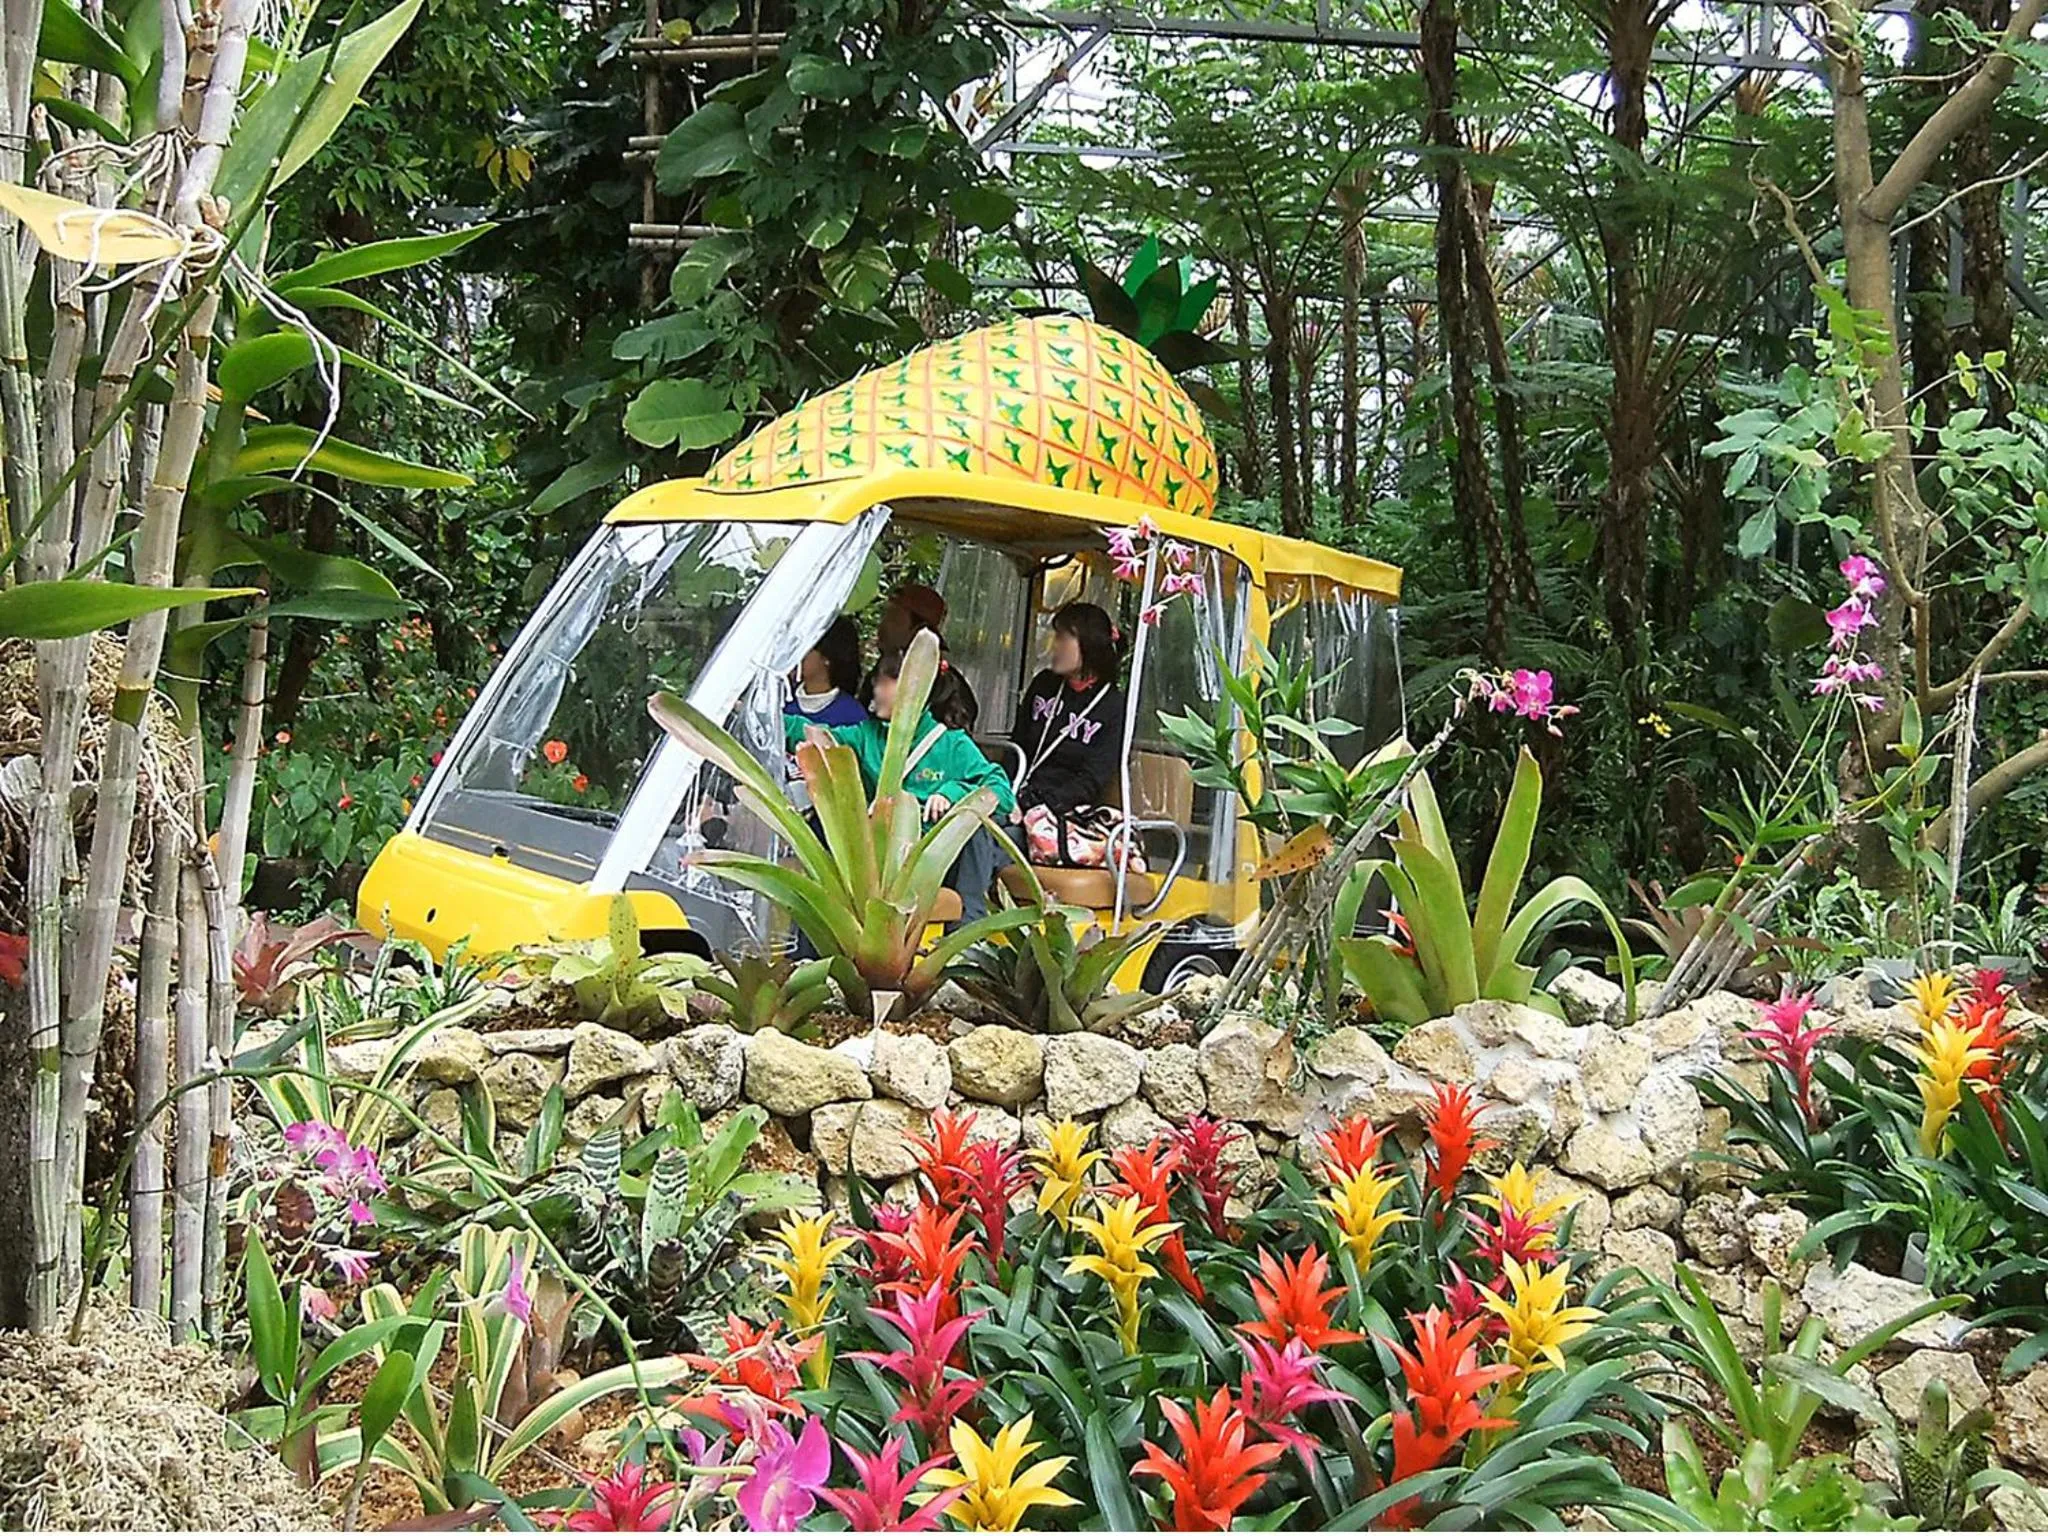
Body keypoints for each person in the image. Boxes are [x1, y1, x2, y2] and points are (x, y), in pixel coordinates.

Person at [789, 637, 1014, 919]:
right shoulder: (865, 735)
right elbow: (810, 731)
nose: (876, 691)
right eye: (876, 683)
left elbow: (1001, 793)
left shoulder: (950, 743)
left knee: (975, 830)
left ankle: (969, 930)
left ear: (913, 689)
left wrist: (952, 793)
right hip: (876, 863)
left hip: (928, 862)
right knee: (824, 821)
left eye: (886, 683)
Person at [1012, 601, 1127, 818]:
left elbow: (1092, 779)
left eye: (1062, 638)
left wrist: (1044, 805)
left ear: (1088, 645)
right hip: (1018, 794)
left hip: (1061, 811)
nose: (1054, 646)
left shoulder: (1112, 706)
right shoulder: (1044, 685)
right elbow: (1017, 745)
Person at [784, 615, 868, 728]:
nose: (798, 655)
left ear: (827, 657)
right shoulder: (782, 700)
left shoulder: (852, 715)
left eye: (806, 648)